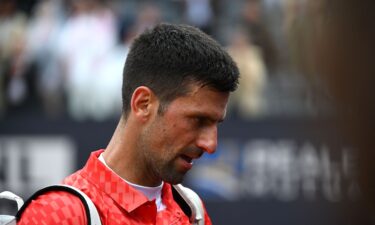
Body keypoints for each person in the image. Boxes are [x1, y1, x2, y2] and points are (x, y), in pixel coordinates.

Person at [17, 23, 239, 225]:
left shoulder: (192, 210)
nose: (211, 144)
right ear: (143, 104)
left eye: (216, 123)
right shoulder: (60, 213)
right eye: (198, 120)